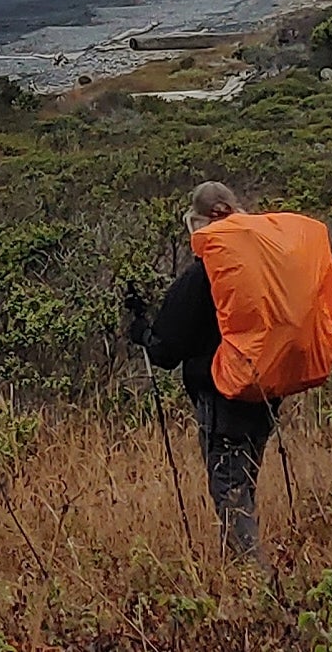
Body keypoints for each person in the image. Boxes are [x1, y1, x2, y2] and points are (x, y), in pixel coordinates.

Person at [126, 181, 277, 562]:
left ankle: (254, 586)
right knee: (243, 481)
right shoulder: (263, 261)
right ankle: (243, 578)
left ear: (203, 220)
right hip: (266, 392)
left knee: (229, 488)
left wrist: (140, 330)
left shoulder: (202, 276)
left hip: (222, 397)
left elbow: (165, 350)